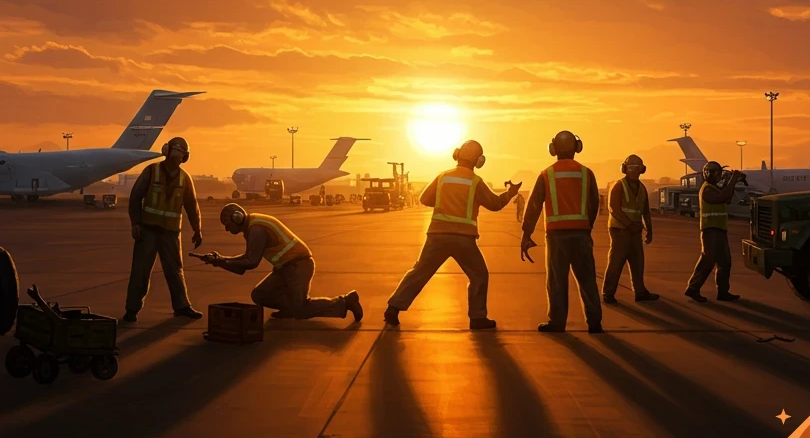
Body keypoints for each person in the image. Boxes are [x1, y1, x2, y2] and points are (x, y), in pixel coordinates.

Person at [384, 140, 520, 329]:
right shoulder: (476, 182)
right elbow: (495, 204)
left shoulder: (443, 177)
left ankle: (393, 308)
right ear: (479, 161)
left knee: (420, 272)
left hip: (437, 235)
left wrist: (444, 201)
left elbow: (425, 199)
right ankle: (477, 318)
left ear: (457, 155)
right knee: (479, 275)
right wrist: (510, 193)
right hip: (463, 239)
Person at [203, 203, 362, 322]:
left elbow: (251, 262)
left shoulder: (256, 229)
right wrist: (219, 260)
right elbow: (243, 265)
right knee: (260, 294)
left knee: (301, 310)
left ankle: (345, 302)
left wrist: (221, 261)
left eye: (227, 225)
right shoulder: (253, 224)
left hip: (298, 266)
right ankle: (290, 308)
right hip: (285, 268)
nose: (227, 229)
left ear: (237, 218)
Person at [520, 130, 603, 334]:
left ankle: (557, 322)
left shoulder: (546, 174)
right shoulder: (586, 173)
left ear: (553, 149)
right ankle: (594, 322)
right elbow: (594, 204)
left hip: (556, 236)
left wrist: (527, 233)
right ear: (577, 148)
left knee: (557, 281)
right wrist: (587, 226)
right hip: (581, 234)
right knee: (587, 279)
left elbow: (534, 206)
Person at [122, 135, 203, 323]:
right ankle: (132, 309)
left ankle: (182, 306)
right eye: (176, 152)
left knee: (175, 271)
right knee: (140, 271)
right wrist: (135, 223)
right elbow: (135, 198)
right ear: (167, 151)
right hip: (148, 230)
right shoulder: (152, 171)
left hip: (171, 232)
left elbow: (192, 206)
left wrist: (197, 229)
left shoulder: (184, 178)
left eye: (181, 154)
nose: (178, 157)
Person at [602, 154, 659, 305]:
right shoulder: (618, 186)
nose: (634, 171)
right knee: (616, 262)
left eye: (637, 168)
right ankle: (608, 293)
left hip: (635, 231)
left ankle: (640, 292)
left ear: (642, 170)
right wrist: (629, 224)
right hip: (619, 230)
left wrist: (649, 230)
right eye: (631, 167)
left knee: (638, 262)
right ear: (625, 169)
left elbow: (645, 211)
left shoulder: (642, 189)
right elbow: (613, 208)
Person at [685, 161, 746, 303]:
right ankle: (693, 288)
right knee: (708, 260)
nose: (719, 176)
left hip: (719, 229)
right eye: (718, 173)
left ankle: (723, 292)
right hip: (710, 230)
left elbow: (727, 198)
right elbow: (722, 198)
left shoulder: (715, 188)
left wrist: (730, 182)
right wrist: (733, 179)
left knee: (725, 262)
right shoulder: (707, 189)